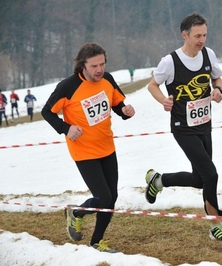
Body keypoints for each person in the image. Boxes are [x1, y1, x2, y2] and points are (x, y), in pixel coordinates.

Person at [146, 12, 222, 242]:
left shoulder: (209, 54)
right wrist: (163, 100)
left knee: (199, 179)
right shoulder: (170, 62)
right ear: (184, 35)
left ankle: (159, 180)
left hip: (205, 124)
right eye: (197, 35)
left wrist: (218, 90)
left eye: (204, 35)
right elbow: (152, 85)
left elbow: (218, 79)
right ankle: (216, 225)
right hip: (183, 128)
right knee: (211, 174)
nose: (202, 40)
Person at [41, 42, 136, 253]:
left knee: (112, 198)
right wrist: (65, 128)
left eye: (102, 64)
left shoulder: (107, 79)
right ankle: (79, 216)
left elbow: (116, 103)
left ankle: (95, 239)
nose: (99, 69)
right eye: (94, 66)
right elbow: (47, 111)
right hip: (83, 151)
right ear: (82, 65)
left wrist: (125, 111)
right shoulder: (68, 87)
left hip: (107, 147)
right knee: (104, 197)